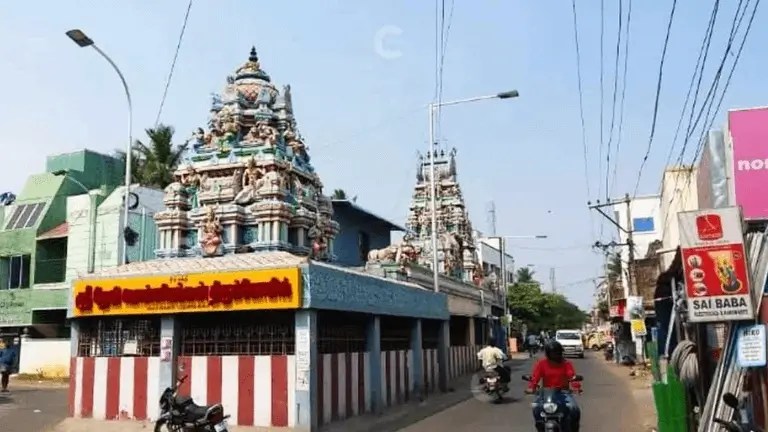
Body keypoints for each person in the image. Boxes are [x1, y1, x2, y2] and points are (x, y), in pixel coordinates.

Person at [524, 341, 581, 431]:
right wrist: (531, 388)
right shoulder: (542, 364)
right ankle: (540, 427)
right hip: (546, 393)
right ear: (548, 354)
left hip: (563, 392)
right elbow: (535, 377)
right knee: (536, 408)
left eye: (558, 352)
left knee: (574, 408)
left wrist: (576, 387)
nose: (557, 355)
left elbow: (572, 376)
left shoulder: (566, 363)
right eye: (554, 353)